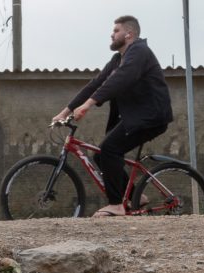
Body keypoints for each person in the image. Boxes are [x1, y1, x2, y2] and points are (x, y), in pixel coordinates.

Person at [52, 15, 173, 217]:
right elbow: (96, 84)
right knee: (101, 155)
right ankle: (137, 196)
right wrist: (65, 112)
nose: (111, 34)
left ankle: (116, 204)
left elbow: (120, 80)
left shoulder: (139, 52)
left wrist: (89, 105)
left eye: (116, 30)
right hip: (137, 117)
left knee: (110, 149)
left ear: (129, 34)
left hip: (151, 116)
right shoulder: (118, 59)